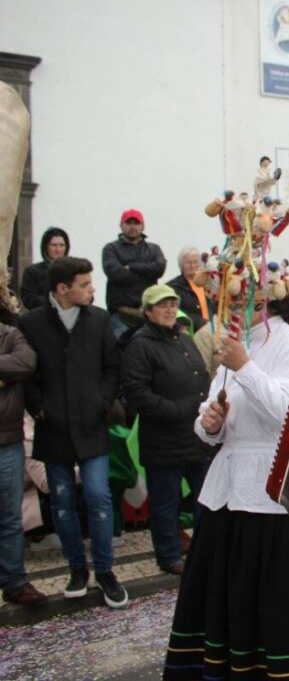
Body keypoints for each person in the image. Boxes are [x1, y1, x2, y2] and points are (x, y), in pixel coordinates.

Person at [163, 291, 289, 680]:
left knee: (277, 601)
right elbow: (210, 414)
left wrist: (246, 368)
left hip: (274, 497)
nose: (235, 308)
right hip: (225, 497)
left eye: (242, 299)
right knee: (227, 597)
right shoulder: (237, 346)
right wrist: (211, 424)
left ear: (267, 299)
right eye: (231, 300)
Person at [19, 257, 128, 608]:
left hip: (92, 425)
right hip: (54, 429)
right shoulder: (32, 323)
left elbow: (113, 366)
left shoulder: (98, 320)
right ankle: (77, 569)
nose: (92, 290)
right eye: (84, 284)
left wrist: (101, 401)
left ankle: (106, 571)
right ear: (62, 289)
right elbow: (27, 375)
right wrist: (39, 407)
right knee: (62, 502)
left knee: (98, 496)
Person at [120, 285, 210, 576]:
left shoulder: (183, 339)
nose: (170, 309)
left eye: (173, 304)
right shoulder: (140, 345)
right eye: (162, 305)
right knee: (166, 503)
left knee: (203, 499)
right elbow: (137, 393)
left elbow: (200, 376)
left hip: (195, 437)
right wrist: (176, 410)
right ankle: (169, 554)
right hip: (163, 439)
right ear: (148, 311)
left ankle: (203, 551)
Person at [0, 316, 43, 607]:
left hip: (7, 440)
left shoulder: (11, 334)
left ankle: (14, 581)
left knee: (10, 516)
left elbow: (27, 363)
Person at [102, 209, 167, 339]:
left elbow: (159, 268)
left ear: (143, 226)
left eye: (136, 223)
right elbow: (115, 273)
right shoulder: (111, 249)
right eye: (129, 223)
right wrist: (147, 274)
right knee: (116, 353)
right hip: (121, 316)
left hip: (147, 315)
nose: (133, 227)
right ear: (121, 226)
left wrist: (131, 267)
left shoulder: (153, 249)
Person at [19, 227, 69, 311]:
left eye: (61, 245)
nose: (58, 250)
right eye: (53, 245)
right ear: (46, 247)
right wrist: (54, 300)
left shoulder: (74, 270)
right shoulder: (33, 271)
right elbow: (28, 299)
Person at [166, 247, 215, 329]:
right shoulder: (172, 287)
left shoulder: (209, 284)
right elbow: (176, 312)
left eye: (195, 262)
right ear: (181, 266)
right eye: (188, 263)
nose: (193, 265)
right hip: (189, 332)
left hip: (211, 332)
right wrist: (200, 322)